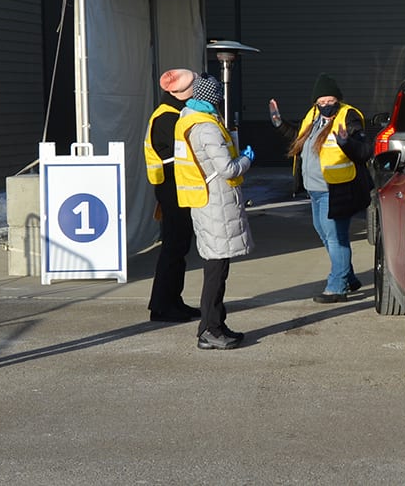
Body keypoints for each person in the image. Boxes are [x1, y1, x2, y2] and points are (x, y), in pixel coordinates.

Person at [269, 74, 372, 303]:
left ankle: (337, 287)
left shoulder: (349, 116)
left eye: (330, 100)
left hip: (336, 189)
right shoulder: (313, 115)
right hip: (314, 189)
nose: (326, 105)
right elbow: (299, 137)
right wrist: (279, 123)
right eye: (321, 101)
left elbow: (365, 151)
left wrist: (347, 143)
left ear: (338, 99)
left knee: (336, 238)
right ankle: (348, 277)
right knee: (325, 234)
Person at [175, 73, 255, 350]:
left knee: (215, 267)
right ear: (212, 97)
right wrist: (246, 159)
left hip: (203, 200)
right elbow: (228, 169)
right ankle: (210, 329)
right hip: (215, 203)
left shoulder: (187, 119)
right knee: (216, 270)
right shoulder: (206, 127)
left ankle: (214, 325)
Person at [144, 68, 201, 323]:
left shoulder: (174, 113)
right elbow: (182, 154)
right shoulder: (168, 118)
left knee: (179, 248)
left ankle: (173, 300)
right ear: (183, 92)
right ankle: (162, 307)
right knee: (173, 249)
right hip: (172, 191)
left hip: (175, 189)